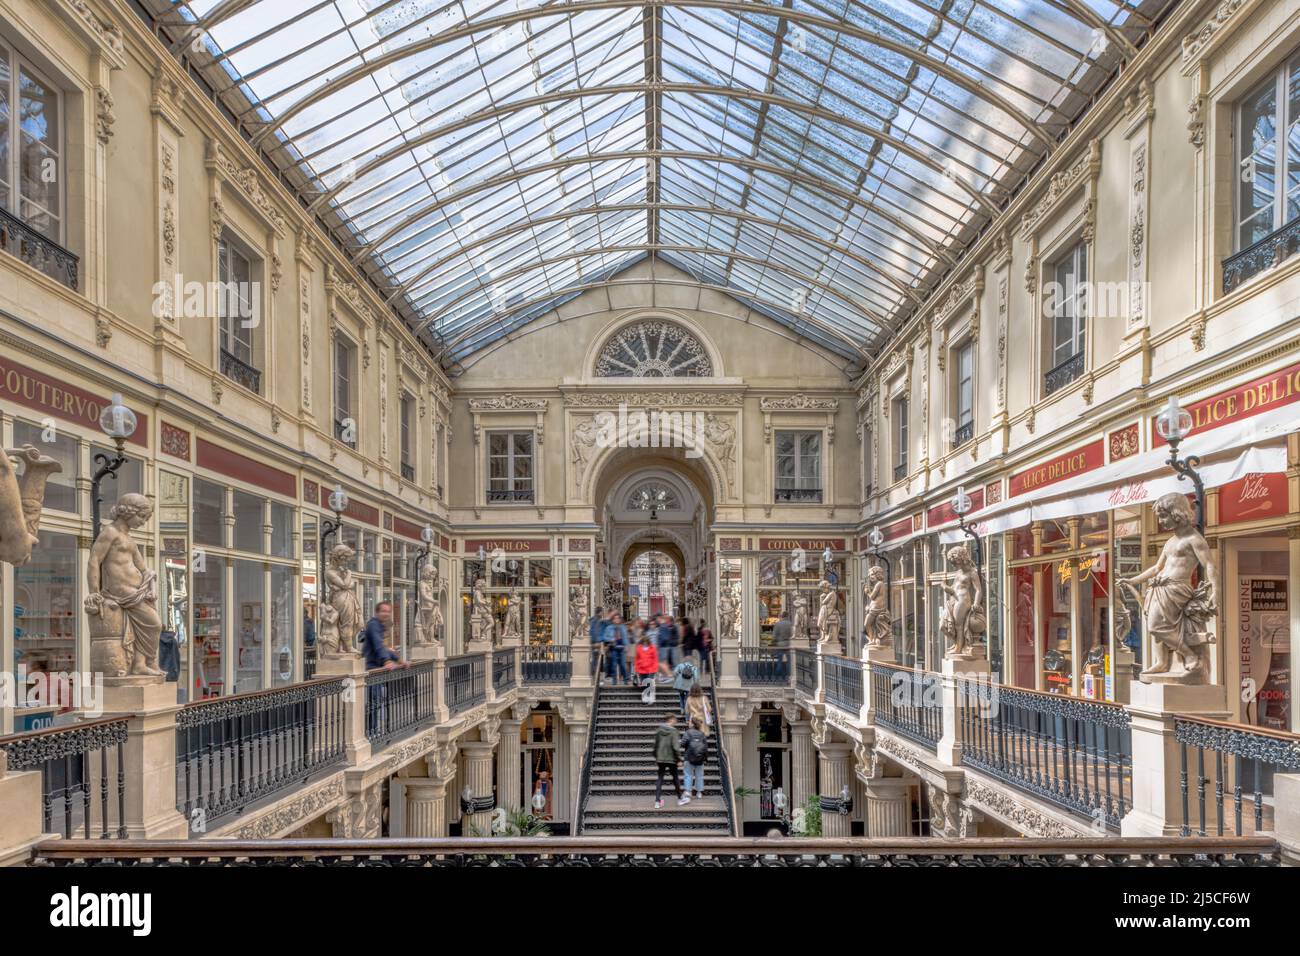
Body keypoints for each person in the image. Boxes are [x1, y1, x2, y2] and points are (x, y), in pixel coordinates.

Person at [653, 713, 689, 808]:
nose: (676, 721)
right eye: (675, 719)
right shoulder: (674, 731)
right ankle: (680, 798)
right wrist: (679, 759)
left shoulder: (659, 730)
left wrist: (656, 756)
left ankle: (657, 801)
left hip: (661, 758)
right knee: (675, 778)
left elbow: (655, 745)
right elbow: (675, 747)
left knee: (660, 778)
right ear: (671, 719)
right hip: (671, 758)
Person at [362, 601, 400, 670]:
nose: (386, 614)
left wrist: (399, 660)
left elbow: (385, 649)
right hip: (371, 668)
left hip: (378, 666)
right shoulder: (373, 625)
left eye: (388, 612)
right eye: (383, 611)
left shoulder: (381, 626)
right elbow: (379, 645)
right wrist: (387, 661)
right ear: (377, 613)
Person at [680, 717, 709, 800]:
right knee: (699, 775)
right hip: (700, 759)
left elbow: (682, 744)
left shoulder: (688, 733)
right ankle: (699, 793)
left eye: (690, 722)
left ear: (692, 723)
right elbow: (706, 747)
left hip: (688, 757)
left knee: (688, 775)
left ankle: (688, 791)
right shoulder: (702, 734)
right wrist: (706, 758)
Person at [635, 631, 660, 704]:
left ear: (648, 641)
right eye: (644, 641)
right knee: (644, 683)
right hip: (641, 669)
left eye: (646, 641)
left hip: (650, 668)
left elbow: (655, 659)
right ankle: (645, 697)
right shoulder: (639, 648)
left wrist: (655, 668)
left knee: (650, 683)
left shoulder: (653, 648)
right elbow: (637, 659)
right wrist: (636, 668)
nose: (645, 643)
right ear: (642, 642)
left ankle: (650, 697)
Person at [606, 613, 629, 685]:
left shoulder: (623, 627)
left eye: (618, 618)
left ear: (620, 620)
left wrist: (627, 645)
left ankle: (625, 680)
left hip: (622, 648)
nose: (616, 620)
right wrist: (611, 639)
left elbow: (625, 637)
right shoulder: (609, 628)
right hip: (614, 648)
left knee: (623, 665)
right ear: (613, 620)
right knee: (614, 665)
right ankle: (614, 681)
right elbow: (605, 637)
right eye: (615, 618)